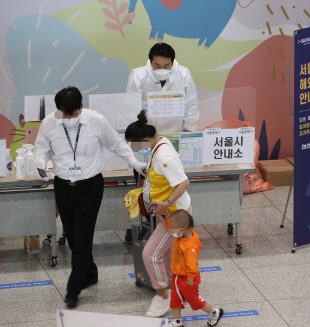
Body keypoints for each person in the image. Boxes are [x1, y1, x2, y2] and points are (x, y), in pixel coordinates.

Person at [34, 86, 147, 309]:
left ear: (81, 107)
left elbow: (116, 145)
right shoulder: (49, 123)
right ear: (59, 110)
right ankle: (90, 274)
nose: (68, 119)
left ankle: (73, 289)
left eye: (73, 114)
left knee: (83, 237)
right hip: (63, 186)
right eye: (64, 115)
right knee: (75, 238)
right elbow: (41, 149)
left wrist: (134, 163)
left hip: (90, 186)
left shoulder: (96, 120)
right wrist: (40, 162)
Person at [124, 42, 198, 244]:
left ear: (172, 63)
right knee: (144, 184)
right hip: (146, 139)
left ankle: (171, 221)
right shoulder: (138, 75)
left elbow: (191, 105)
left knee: (171, 181)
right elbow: (130, 106)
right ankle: (138, 222)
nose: (162, 70)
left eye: (166, 66)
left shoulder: (183, 74)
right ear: (150, 62)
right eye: (157, 66)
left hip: (173, 137)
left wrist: (189, 134)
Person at [125, 111, 192, 317]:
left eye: (134, 145)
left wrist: (168, 202)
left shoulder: (164, 155)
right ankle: (181, 291)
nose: (133, 149)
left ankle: (162, 296)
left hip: (175, 214)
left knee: (151, 254)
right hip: (168, 212)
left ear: (144, 140)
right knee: (171, 256)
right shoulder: (158, 144)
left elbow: (183, 182)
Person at [168, 210, 224, 327]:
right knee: (175, 299)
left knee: (194, 300)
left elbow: (192, 264)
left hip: (187, 278)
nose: (170, 231)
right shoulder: (182, 234)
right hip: (177, 275)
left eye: (172, 229)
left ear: (182, 229)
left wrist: (190, 279)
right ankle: (177, 322)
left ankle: (214, 312)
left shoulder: (190, 246)